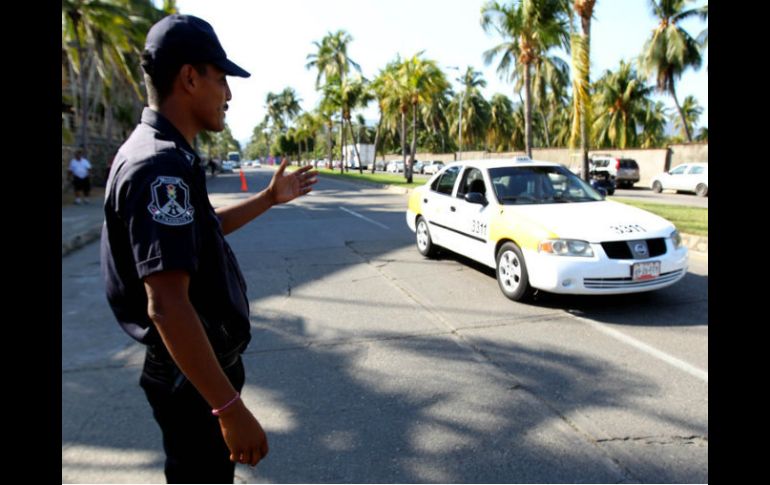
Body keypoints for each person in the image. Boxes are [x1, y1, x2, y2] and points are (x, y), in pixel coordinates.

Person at [99, 14, 317, 483]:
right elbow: (168, 305)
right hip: (191, 382)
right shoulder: (159, 166)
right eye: (221, 79)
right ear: (190, 77)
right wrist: (228, 407)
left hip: (191, 373)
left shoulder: (163, 152)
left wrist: (267, 198)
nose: (229, 95)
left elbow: (200, 232)